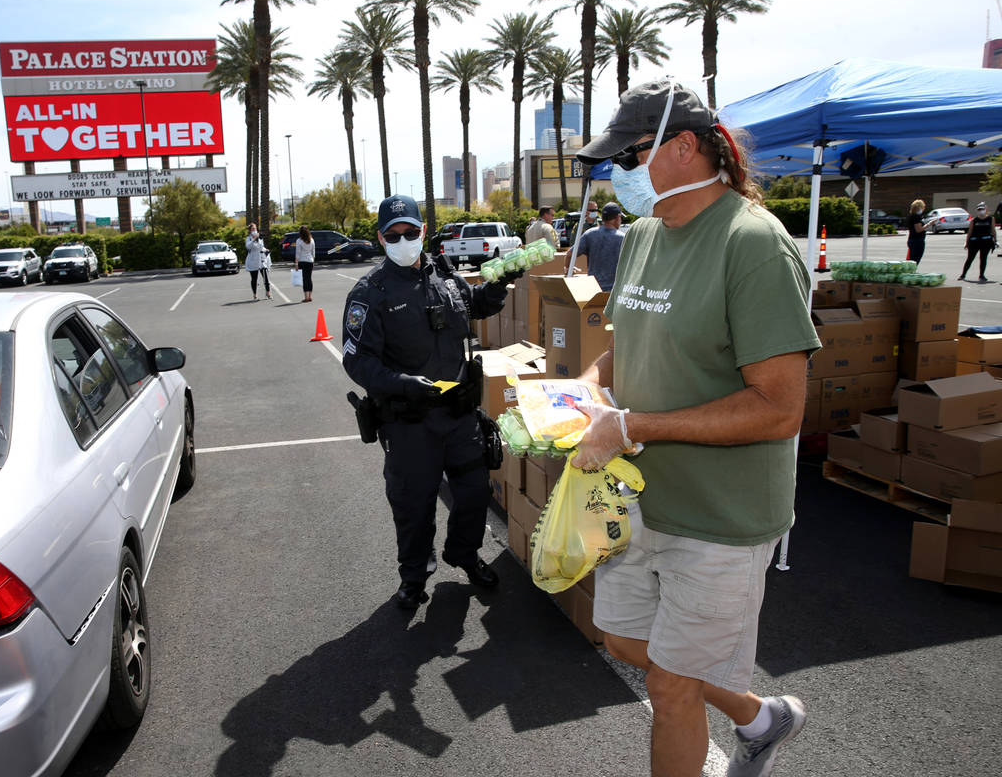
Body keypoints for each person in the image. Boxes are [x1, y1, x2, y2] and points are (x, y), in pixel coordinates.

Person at [572, 80, 821, 777]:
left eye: (626, 157)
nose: (616, 174)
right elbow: (628, 346)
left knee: (671, 685)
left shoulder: (753, 245)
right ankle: (761, 718)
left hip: (720, 517)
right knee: (624, 641)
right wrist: (587, 389)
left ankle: (751, 723)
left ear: (682, 149)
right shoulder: (647, 235)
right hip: (642, 498)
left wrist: (631, 425)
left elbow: (779, 406)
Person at [342, 194, 517, 610]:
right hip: (410, 422)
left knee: (474, 492)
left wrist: (498, 286)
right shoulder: (371, 293)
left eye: (411, 232)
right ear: (381, 238)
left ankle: (464, 553)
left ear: (423, 231)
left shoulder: (443, 275)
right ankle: (414, 576)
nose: (403, 239)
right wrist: (402, 383)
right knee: (414, 504)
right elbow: (357, 360)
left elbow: (472, 306)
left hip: (459, 415)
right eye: (393, 234)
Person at [576, 201, 625, 290]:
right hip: (615, 289)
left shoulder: (589, 234)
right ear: (617, 218)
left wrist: (568, 268)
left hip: (594, 288)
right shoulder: (623, 238)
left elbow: (570, 254)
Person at [961, 202, 997, 282]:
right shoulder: (974, 220)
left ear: (986, 209)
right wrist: (966, 242)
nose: (981, 211)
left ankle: (981, 275)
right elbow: (969, 232)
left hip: (986, 242)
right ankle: (963, 275)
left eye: (982, 209)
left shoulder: (991, 219)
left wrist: (995, 240)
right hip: (975, 242)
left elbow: (993, 230)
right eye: (979, 209)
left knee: (983, 258)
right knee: (970, 258)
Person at [905, 199, 935, 265]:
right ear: (919, 208)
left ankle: (911, 272)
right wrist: (929, 224)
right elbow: (918, 230)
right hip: (917, 241)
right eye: (923, 207)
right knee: (915, 260)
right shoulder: (916, 217)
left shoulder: (911, 216)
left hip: (912, 239)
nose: (923, 209)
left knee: (912, 259)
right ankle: (912, 273)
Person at [245, 224, 270, 301]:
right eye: (252, 229)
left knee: (265, 276)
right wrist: (253, 239)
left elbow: (261, 247)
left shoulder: (260, 239)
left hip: (261, 259)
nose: (254, 230)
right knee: (254, 278)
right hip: (252, 260)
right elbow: (248, 246)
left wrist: (266, 250)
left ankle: (268, 293)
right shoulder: (248, 239)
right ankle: (255, 295)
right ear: (250, 230)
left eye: (255, 229)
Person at [294, 225, 316, 302]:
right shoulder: (312, 240)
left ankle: (306, 297)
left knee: (305, 279)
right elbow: (313, 253)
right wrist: (313, 261)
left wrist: (296, 264)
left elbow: (298, 253)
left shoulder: (299, 241)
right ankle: (310, 296)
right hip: (310, 261)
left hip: (302, 261)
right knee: (309, 278)